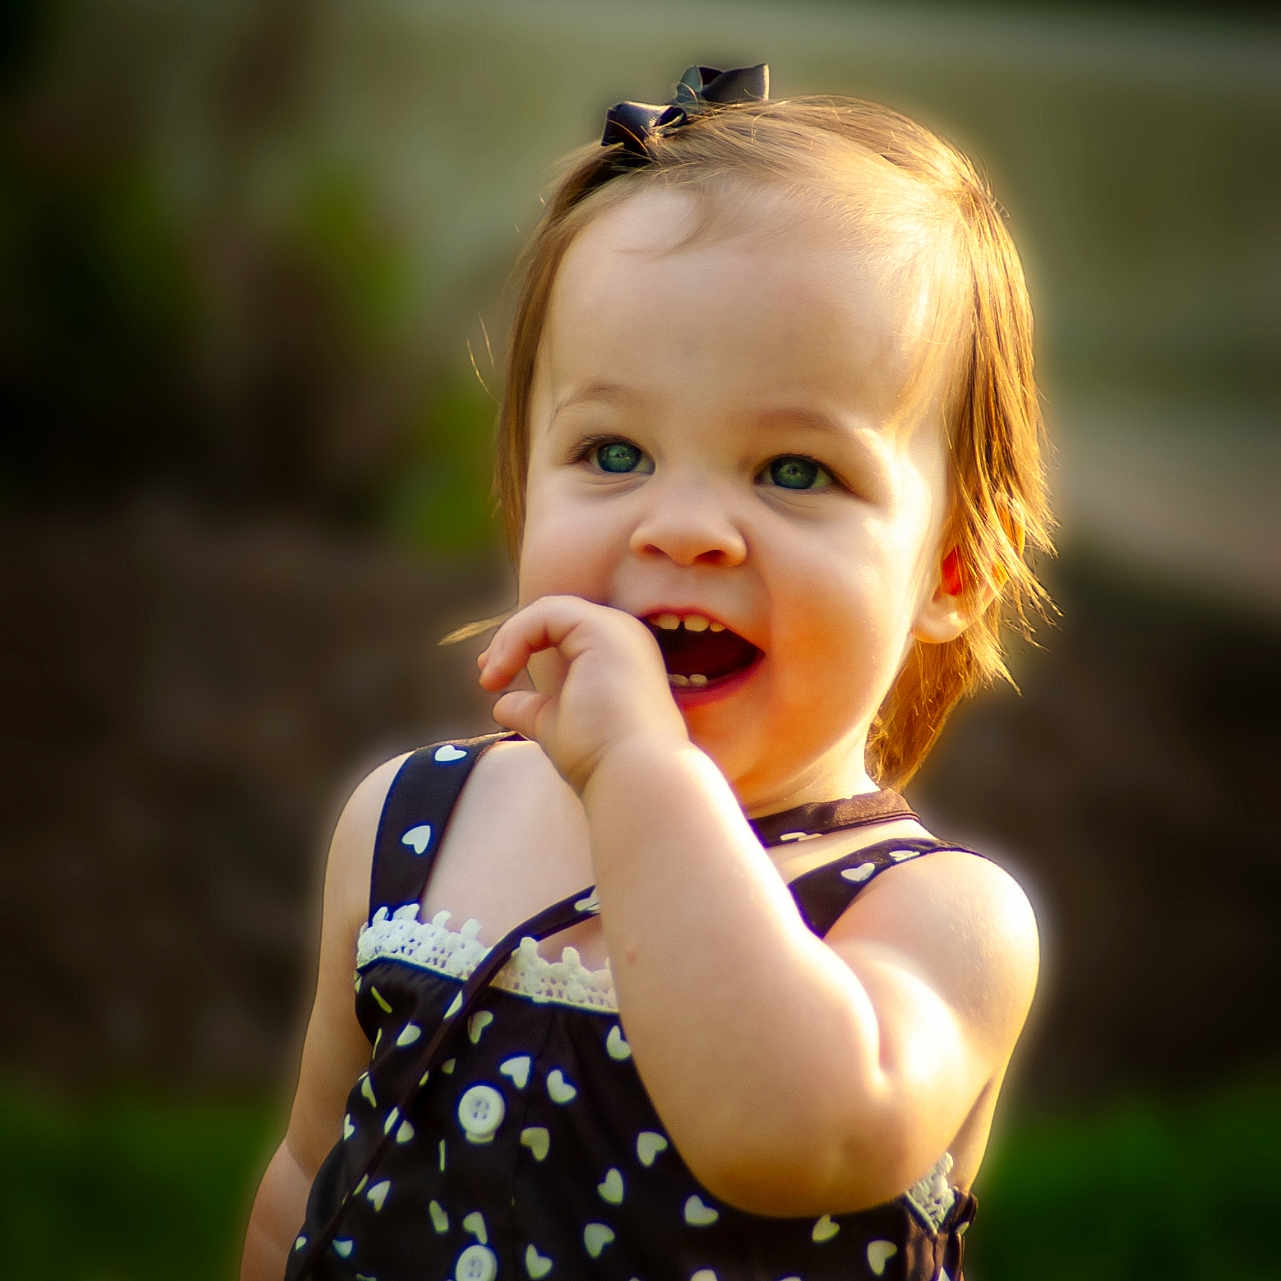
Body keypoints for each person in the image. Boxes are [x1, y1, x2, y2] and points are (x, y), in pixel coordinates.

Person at [241, 63, 1053, 1281]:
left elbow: (789, 1133)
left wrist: (640, 771)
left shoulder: (938, 922)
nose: (682, 528)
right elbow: (310, 1177)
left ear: (948, 570)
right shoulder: (410, 827)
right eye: (613, 451)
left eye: (792, 470)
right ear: (522, 493)